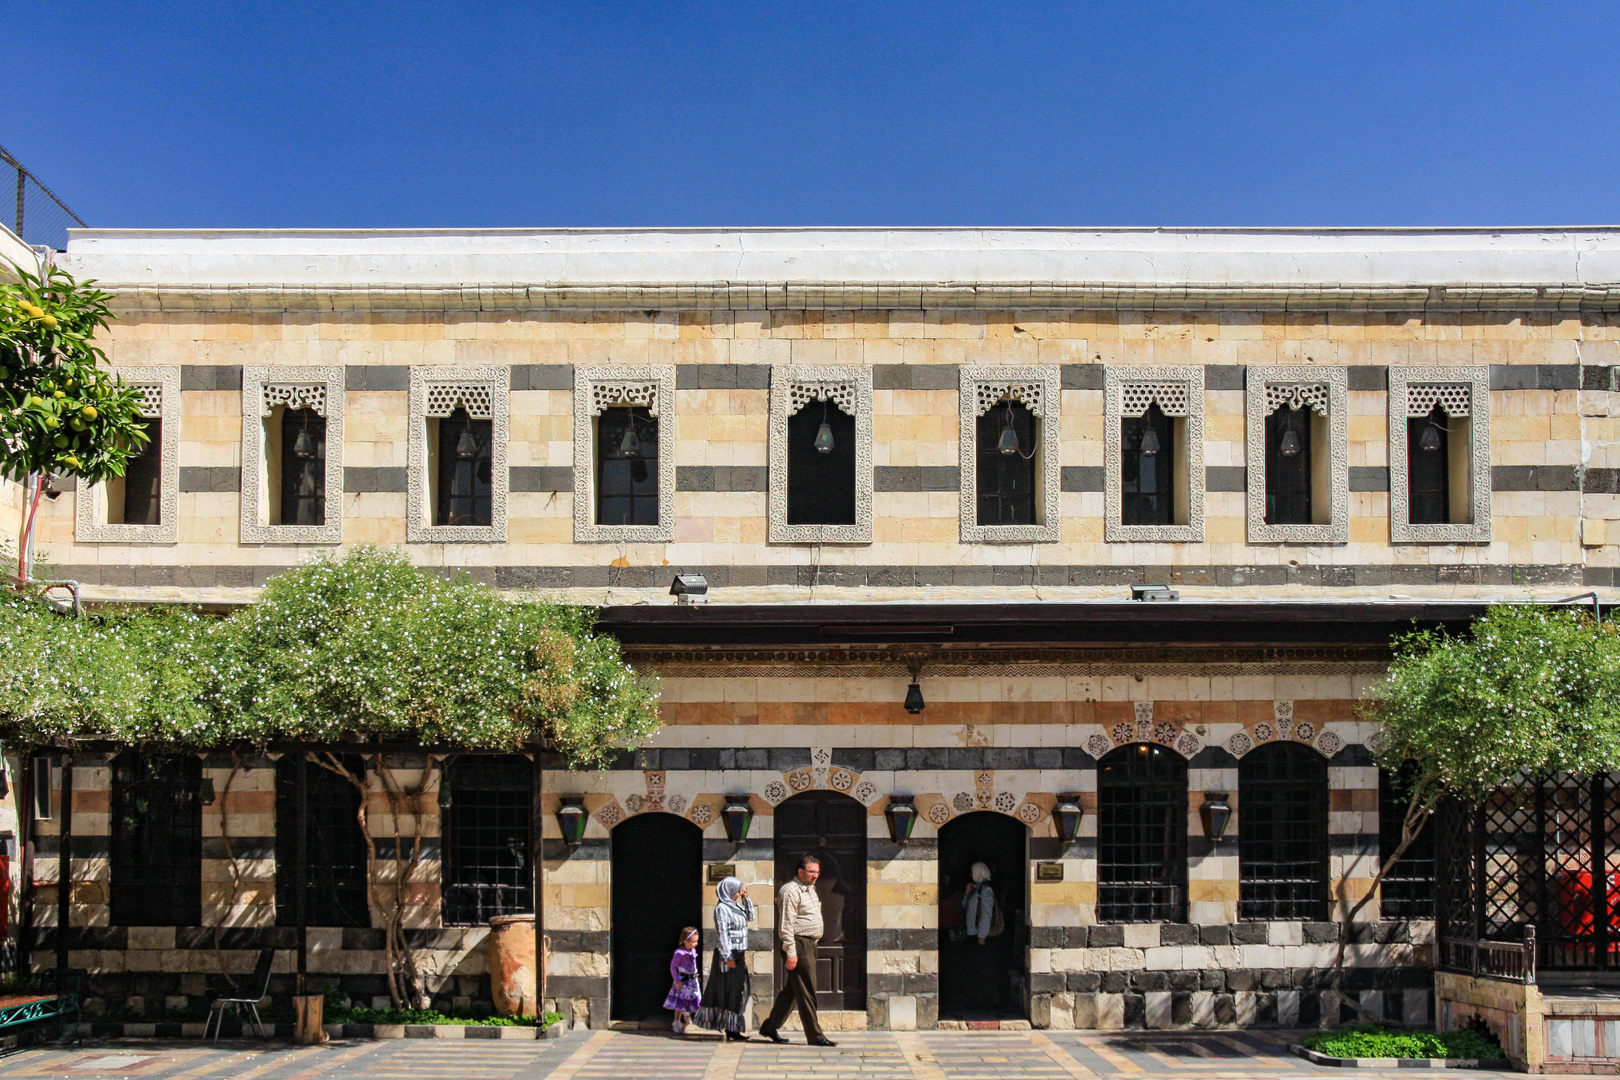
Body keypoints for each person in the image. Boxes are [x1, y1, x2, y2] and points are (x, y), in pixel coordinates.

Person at [758, 854, 836, 1047]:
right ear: (800, 871)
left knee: (793, 991)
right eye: (811, 872)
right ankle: (815, 1036)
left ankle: (770, 1026)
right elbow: (786, 924)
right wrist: (791, 951)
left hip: (809, 945)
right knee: (807, 991)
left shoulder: (810, 889)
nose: (815, 876)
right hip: (798, 945)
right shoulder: (790, 891)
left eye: (817, 872)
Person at [694, 877, 754, 1041]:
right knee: (729, 991)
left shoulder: (736, 906)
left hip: (739, 952)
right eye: (736, 889)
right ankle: (730, 1028)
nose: (738, 891)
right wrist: (728, 957)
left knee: (740, 990)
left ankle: (733, 1026)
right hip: (728, 955)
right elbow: (723, 933)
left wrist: (746, 898)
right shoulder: (722, 908)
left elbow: (751, 917)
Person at [957, 861, 1004, 1011]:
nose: (970, 875)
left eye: (972, 872)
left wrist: (982, 936)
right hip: (972, 935)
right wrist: (966, 894)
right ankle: (976, 999)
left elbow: (987, 914)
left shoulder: (986, 890)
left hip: (981, 938)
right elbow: (963, 908)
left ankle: (987, 1001)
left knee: (984, 969)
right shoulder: (975, 889)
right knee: (974, 969)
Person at [664, 926, 703, 1034]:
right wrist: (677, 981)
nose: (696, 944)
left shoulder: (693, 951)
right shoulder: (679, 953)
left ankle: (687, 1013)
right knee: (680, 1003)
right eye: (693, 942)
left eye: (696, 941)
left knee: (695, 998)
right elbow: (673, 967)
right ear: (685, 941)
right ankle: (676, 1022)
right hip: (683, 981)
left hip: (692, 981)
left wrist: (695, 975)